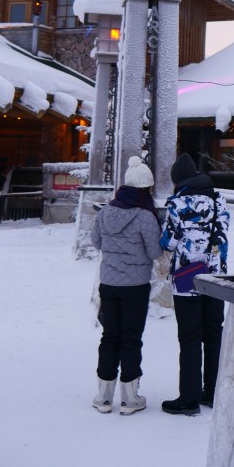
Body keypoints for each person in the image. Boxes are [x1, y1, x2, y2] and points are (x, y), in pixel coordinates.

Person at [90, 156, 161, 415]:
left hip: (108, 283)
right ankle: (130, 399)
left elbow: (96, 241)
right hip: (136, 285)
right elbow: (154, 253)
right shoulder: (145, 216)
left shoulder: (106, 211)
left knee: (109, 336)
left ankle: (103, 396)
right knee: (131, 338)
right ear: (146, 188)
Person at [160, 152, 230, 416]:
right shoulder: (217, 199)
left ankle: (188, 399)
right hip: (216, 277)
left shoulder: (177, 205)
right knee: (214, 333)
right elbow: (223, 235)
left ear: (178, 181)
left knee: (190, 337)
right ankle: (212, 393)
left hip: (187, 277)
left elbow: (168, 243)